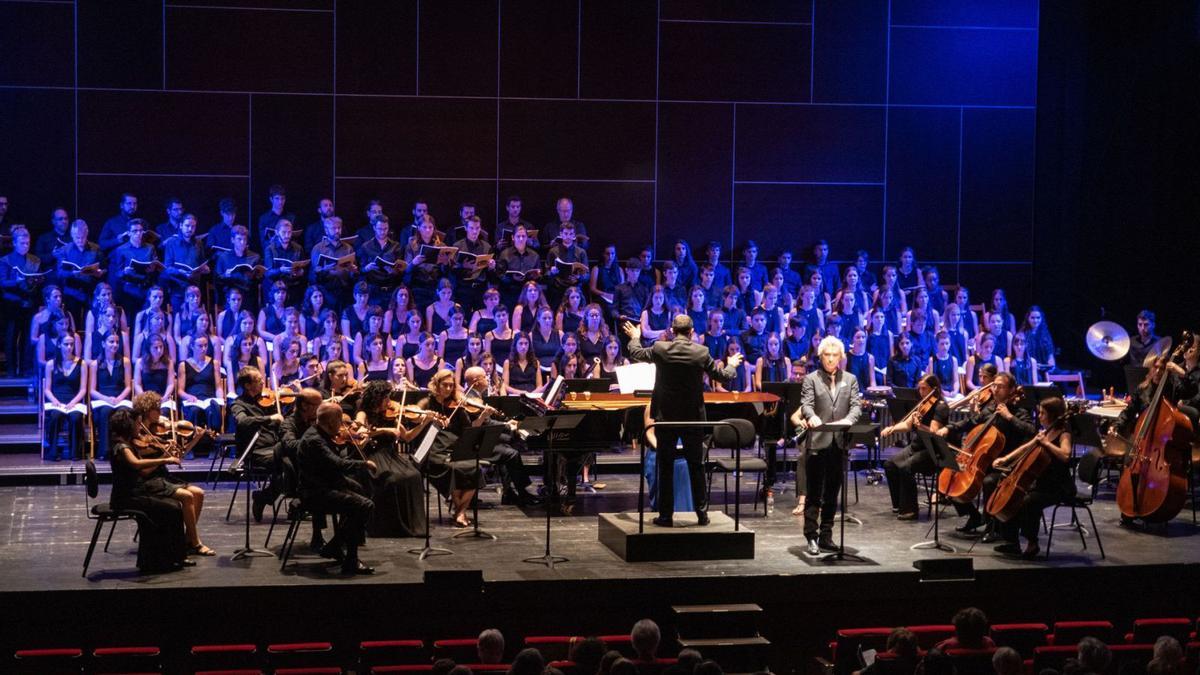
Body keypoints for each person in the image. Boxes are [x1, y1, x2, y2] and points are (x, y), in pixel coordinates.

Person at [623, 314, 741, 527]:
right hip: (692, 418)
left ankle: (666, 516)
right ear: (691, 332)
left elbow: (635, 352)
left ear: (672, 330)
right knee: (696, 466)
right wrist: (732, 364)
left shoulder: (661, 348)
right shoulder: (701, 352)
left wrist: (635, 336)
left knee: (665, 465)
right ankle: (702, 515)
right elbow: (723, 376)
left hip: (665, 417)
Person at [936, 372, 1034, 540]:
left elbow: (1031, 431)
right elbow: (970, 422)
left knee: (989, 482)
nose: (995, 390)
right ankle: (975, 517)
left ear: (1012, 390)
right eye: (994, 386)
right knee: (951, 475)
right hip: (983, 460)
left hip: (1006, 462)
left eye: (1001, 387)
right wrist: (949, 428)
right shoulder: (989, 408)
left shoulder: (1018, 410)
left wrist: (1009, 417)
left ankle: (993, 527)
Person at [797, 335, 863, 555]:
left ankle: (826, 535)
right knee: (814, 492)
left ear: (841, 357)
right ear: (821, 356)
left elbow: (856, 406)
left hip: (839, 443)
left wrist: (849, 420)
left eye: (835, 355)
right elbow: (806, 404)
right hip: (818, 441)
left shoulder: (850, 379)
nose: (831, 359)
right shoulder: (811, 379)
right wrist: (812, 416)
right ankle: (811, 536)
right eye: (827, 355)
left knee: (833, 493)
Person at [990, 396, 1075, 559]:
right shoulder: (1045, 432)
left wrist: (1047, 444)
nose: (1040, 416)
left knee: (1029, 502)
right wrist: (1006, 459)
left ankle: (1032, 543)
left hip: (1059, 487)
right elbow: (1025, 447)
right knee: (1013, 497)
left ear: (1053, 415)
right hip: (1042, 484)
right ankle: (1011, 542)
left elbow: (1065, 455)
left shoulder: (1064, 433)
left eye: (1043, 413)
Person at [131, 391, 214, 557]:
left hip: (163, 475)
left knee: (198, 493)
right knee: (188, 496)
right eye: (158, 409)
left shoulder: (158, 431)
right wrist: (164, 456)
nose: (161, 414)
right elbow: (146, 468)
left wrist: (196, 439)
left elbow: (177, 457)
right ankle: (195, 542)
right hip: (148, 480)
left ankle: (186, 539)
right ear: (148, 411)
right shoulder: (138, 434)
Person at [107, 408, 190, 573]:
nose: (140, 427)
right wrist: (166, 458)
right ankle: (168, 559)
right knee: (171, 508)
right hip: (126, 497)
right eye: (137, 423)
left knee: (172, 506)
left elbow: (143, 471)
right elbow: (136, 464)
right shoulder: (121, 446)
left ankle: (167, 558)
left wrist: (160, 460)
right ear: (128, 425)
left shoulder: (128, 443)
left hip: (135, 493)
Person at [298, 401, 376, 575]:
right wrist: (364, 464)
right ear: (331, 423)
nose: (342, 426)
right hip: (315, 493)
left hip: (326, 484)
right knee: (364, 505)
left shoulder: (320, 433)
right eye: (340, 421)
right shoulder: (314, 440)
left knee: (361, 492)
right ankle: (348, 558)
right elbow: (337, 463)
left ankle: (338, 548)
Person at [354, 380, 430, 537]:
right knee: (392, 479)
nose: (389, 402)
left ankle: (411, 524)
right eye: (386, 398)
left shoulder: (391, 415)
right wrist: (384, 430)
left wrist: (425, 422)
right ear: (376, 398)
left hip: (391, 455)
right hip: (373, 456)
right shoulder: (363, 413)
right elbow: (360, 433)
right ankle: (388, 525)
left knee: (414, 475)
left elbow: (407, 437)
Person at [882, 375, 949, 519]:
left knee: (906, 467)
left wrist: (920, 426)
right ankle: (899, 504)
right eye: (920, 388)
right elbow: (907, 425)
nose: (921, 392)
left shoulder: (941, 407)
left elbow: (933, 432)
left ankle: (911, 509)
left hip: (931, 450)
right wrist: (891, 429)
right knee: (889, 465)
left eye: (924, 388)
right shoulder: (922, 404)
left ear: (934, 389)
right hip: (917, 446)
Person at [229, 366, 285, 522]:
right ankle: (266, 498)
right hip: (255, 453)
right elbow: (242, 421)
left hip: (275, 448)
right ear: (247, 385)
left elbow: (282, 420)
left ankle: (265, 497)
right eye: (259, 380)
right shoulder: (238, 404)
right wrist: (269, 418)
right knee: (289, 463)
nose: (263, 382)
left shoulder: (268, 400)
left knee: (296, 462)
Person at [1, 227, 44, 376]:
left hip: (29, 302)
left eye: (27, 243)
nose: (25, 246)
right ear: (14, 243)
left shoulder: (35, 260)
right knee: (11, 336)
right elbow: (3, 282)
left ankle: (26, 368)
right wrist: (16, 281)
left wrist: (38, 280)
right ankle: (12, 370)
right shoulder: (5, 260)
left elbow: (38, 279)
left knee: (27, 337)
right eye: (22, 243)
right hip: (12, 305)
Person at [89, 332, 133, 461]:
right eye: (111, 342)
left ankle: (126, 451)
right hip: (103, 399)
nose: (115, 345)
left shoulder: (124, 361)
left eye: (117, 342)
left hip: (120, 397)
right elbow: (92, 390)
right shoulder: (95, 364)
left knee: (124, 412)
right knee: (105, 412)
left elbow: (128, 386)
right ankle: (105, 450)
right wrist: (106, 399)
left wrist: (119, 398)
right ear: (103, 343)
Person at [43, 332, 86, 461]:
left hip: (74, 401)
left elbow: (83, 389)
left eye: (71, 344)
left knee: (75, 417)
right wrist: (55, 401)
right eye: (66, 344)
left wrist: (73, 402)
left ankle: (75, 452)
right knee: (55, 416)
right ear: (59, 345)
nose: (69, 347)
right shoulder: (51, 364)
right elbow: (47, 389)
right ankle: (53, 451)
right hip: (57, 402)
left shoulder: (81, 364)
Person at [108, 218, 160, 323]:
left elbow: (156, 264)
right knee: (131, 321)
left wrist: (153, 268)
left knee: (147, 320)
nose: (138, 233)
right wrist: (125, 272)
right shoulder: (121, 249)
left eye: (140, 231)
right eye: (135, 231)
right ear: (129, 233)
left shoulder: (150, 248)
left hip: (146, 288)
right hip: (129, 290)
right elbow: (117, 273)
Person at [57, 219, 106, 320]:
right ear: (72, 235)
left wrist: (100, 272)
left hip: (90, 292)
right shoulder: (65, 250)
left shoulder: (95, 248)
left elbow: (104, 268)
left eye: (82, 237)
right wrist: (73, 273)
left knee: (91, 322)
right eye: (77, 238)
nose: (79, 240)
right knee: (73, 323)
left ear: (87, 233)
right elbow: (59, 272)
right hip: (72, 293)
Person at [160, 213, 209, 311]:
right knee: (178, 316)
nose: (190, 229)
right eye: (187, 226)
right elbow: (167, 267)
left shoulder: (198, 243)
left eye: (193, 226)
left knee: (195, 316)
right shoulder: (172, 242)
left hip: (194, 287)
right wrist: (180, 272)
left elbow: (202, 262)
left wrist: (205, 269)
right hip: (178, 287)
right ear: (181, 225)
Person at [310, 216, 359, 311]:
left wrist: (354, 271)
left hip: (345, 292)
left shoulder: (348, 248)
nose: (337, 231)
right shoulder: (318, 248)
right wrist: (324, 270)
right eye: (334, 228)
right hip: (326, 293)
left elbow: (354, 274)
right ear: (326, 230)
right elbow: (313, 275)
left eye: (339, 228)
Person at [215, 225, 264, 314]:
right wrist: (226, 275)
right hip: (231, 297)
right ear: (233, 240)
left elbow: (260, 278)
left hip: (248, 295)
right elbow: (218, 279)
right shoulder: (224, 257)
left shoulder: (255, 257)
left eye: (245, 240)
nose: (242, 242)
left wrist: (255, 275)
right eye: (239, 239)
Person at [264, 217, 308, 308]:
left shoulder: (298, 248)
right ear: (277, 232)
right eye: (284, 232)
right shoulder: (270, 249)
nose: (287, 235)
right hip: (277, 289)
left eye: (289, 232)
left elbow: (303, 267)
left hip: (293, 287)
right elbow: (268, 272)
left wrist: (301, 272)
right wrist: (280, 270)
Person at [544, 221, 588, 308]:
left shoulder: (581, 252)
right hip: (558, 289)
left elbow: (587, 275)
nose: (568, 236)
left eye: (571, 234)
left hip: (575, 289)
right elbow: (546, 274)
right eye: (566, 233)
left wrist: (579, 277)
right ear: (561, 234)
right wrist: (552, 272)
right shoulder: (553, 251)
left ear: (574, 235)